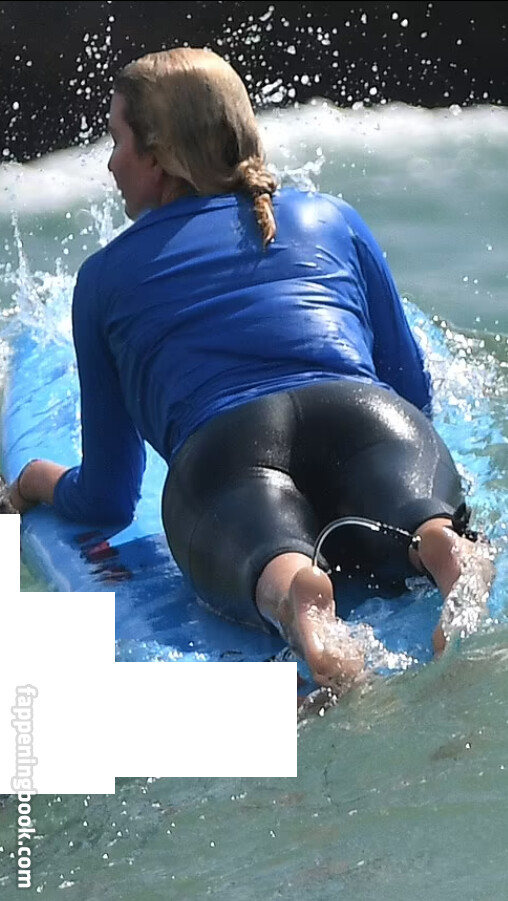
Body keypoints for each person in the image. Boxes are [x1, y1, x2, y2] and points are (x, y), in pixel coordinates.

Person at [8, 47, 493, 691]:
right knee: (417, 510)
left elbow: (110, 497)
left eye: (118, 140)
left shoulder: (101, 278)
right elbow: (410, 388)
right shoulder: (330, 216)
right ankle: (437, 541)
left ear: (157, 158)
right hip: (372, 422)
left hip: (227, 453)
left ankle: (294, 593)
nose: (110, 162)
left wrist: (40, 482)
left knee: (272, 563)